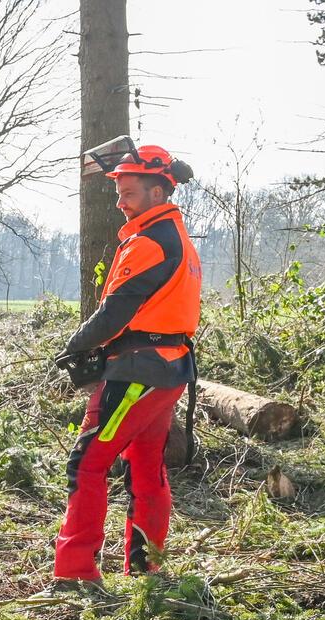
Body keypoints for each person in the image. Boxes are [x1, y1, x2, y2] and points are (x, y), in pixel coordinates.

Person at [48, 143, 201, 596]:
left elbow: (114, 313)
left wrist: (73, 347)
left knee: (87, 465)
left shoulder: (149, 242)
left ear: (158, 192)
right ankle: (146, 566)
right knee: (145, 469)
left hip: (138, 371)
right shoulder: (178, 239)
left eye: (128, 192)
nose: (119, 201)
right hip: (168, 370)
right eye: (118, 191)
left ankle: (75, 573)